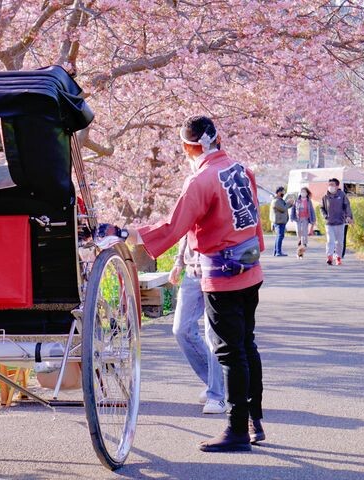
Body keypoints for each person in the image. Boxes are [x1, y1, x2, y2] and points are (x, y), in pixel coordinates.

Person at [126, 115, 265, 452]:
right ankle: (253, 420)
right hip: (250, 268)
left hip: (222, 275)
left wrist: (132, 235)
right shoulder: (240, 169)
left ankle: (236, 429)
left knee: (230, 351)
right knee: (246, 344)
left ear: (189, 146)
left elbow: (174, 227)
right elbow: (256, 217)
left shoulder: (201, 179)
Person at [170, 235, 227, 414]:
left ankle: (217, 395)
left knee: (213, 335)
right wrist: (179, 262)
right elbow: (186, 229)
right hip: (191, 272)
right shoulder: (189, 205)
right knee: (181, 330)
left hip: (216, 269)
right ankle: (215, 383)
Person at [320, 178, 353, 265]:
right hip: (329, 223)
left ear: (337, 186)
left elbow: (347, 206)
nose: (330, 186)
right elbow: (321, 208)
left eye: (332, 185)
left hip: (340, 222)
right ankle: (329, 257)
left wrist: (349, 216)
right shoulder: (325, 196)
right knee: (330, 240)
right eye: (329, 185)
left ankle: (338, 257)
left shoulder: (342, 195)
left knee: (339, 242)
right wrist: (325, 216)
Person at [290, 187, 316, 258]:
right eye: (302, 192)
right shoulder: (297, 200)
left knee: (304, 233)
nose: (303, 193)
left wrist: (313, 219)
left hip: (305, 219)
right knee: (298, 232)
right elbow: (293, 209)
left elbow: (311, 210)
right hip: (298, 219)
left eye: (304, 192)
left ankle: (303, 245)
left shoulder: (308, 201)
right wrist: (292, 217)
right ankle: (300, 242)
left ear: (307, 193)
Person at [271, 186, 292, 256]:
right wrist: (288, 203)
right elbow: (283, 209)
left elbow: (285, 206)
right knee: (280, 236)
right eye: (282, 191)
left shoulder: (280, 200)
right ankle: (278, 252)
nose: (283, 193)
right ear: (278, 192)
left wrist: (290, 204)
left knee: (279, 236)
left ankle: (276, 251)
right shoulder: (276, 201)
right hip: (279, 222)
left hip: (281, 221)